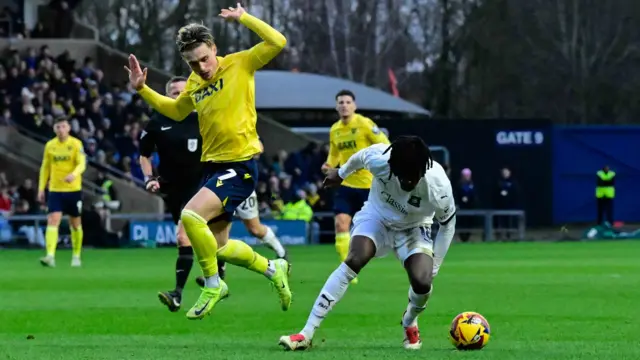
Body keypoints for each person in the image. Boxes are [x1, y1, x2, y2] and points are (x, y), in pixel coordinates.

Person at [125, 2, 291, 320]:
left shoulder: (241, 63)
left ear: (214, 49)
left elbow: (278, 42)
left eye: (204, 58)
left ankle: (214, 284)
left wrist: (244, 18)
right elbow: (175, 111)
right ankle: (274, 268)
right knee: (219, 247)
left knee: (190, 216)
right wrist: (143, 89)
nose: (201, 67)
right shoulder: (194, 83)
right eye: (192, 62)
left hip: (240, 165)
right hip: (213, 167)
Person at [279, 136, 457, 351]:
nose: (408, 182)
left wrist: (434, 267)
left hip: (414, 228)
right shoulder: (380, 159)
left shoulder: (438, 185)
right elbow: (361, 156)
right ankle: (306, 333)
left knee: (422, 282)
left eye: (414, 177)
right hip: (377, 218)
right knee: (355, 258)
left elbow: (447, 225)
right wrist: (342, 173)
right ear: (392, 166)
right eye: (403, 176)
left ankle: (409, 321)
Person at [321, 89, 389, 284]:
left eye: (347, 102)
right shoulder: (334, 129)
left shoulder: (365, 124)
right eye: (340, 102)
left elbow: (384, 144)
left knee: (374, 230)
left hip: (369, 186)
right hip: (346, 185)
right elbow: (334, 154)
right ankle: (348, 271)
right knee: (340, 224)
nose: (344, 105)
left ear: (354, 105)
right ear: (336, 106)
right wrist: (328, 165)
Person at [38, 117, 87, 267]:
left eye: (63, 126)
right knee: (53, 219)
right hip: (55, 189)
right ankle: (50, 256)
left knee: (75, 224)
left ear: (69, 128)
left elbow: (82, 163)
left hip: (73, 190)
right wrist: (41, 188)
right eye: (58, 127)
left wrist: (74, 174)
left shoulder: (76, 144)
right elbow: (45, 167)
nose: (61, 130)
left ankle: (76, 255)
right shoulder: (50, 145)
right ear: (54, 129)